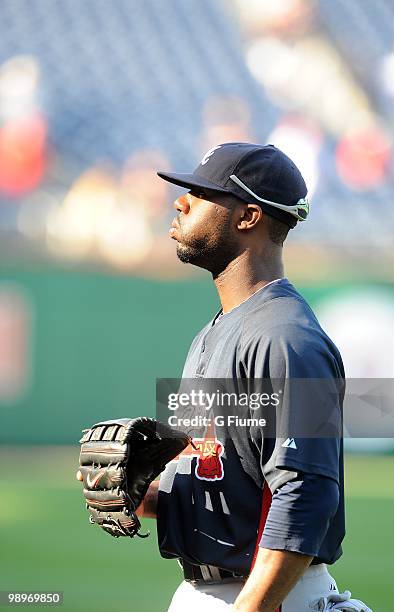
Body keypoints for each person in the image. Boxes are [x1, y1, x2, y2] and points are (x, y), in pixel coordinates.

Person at [80, 142, 371, 611]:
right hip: (214, 592)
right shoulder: (216, 331)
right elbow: (227, 486)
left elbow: (307, 494)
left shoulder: (286, 338)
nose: (181, 201)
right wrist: (146, 494)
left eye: (200, 192)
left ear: (248, 217)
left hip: (265, 596)